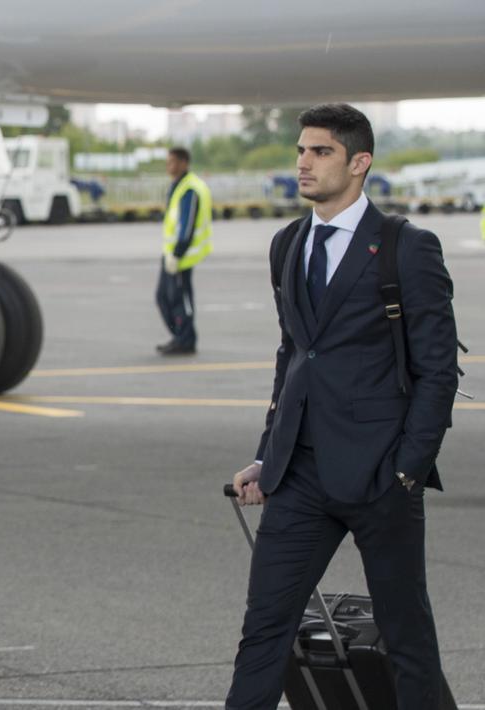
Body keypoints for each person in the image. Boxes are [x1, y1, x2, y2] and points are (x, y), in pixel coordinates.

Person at [227, 104, 458, 709]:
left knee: (406, 635)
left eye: (320, 151)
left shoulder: (406, 246)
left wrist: (407, 469)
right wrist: (266, 454)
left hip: (381, 474)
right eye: (301, 150)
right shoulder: (287, 244)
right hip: (300, 474)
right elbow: (293, 356)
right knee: (264, 630)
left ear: (360, 163)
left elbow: (438, 368)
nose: (303, 162)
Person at [155, 147, 212, 355]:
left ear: (184, 163)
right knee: (163, 297)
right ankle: (179, 336)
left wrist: (178, 253)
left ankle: (186, 339)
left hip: (182, 256)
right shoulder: (177, 186)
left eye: (172, 162)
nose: (168, 166)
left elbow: (187, 226)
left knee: (181, 299)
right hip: (170, 254)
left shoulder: (190, 189)